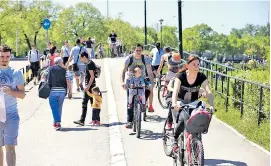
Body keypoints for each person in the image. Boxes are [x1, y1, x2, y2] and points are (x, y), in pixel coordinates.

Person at [171, 54, 215, 149]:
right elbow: (175, 90)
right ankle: (175, 138)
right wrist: (174, 103)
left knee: (199, 118)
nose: (196, 67)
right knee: (183, 118)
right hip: (180, 102)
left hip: (194, 103)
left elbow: (208, 91)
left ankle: (196, 144)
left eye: (198, 64)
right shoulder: (181, 76)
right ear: (187, 65)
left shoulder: (201, 76)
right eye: (194, 64)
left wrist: (212, 105)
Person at [0, 45, 25, 166]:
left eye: (7, 57)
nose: (4, 59)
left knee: (10, 147)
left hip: (11, 115)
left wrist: (11, 92)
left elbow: (22, 94)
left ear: (10, 57)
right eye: (2, 56)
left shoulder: (16, 73)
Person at [120, 43, 154, 129]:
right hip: (131, 80)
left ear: (142, 51)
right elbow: (123, 71)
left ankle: (143, 104)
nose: (138, 52)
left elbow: (149, 72)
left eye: (140, 50)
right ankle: (129, 121)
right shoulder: (129, 58)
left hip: (142, 80)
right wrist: (122, 82)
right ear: (134, 50)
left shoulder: (145, 59)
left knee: (148, 90)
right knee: (129, 101)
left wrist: (152, 83)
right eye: (137, 50)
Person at [48, 57, 72, 130]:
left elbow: (43, 76)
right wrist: (70, 91)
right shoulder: (65, 70)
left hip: (52, 91)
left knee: (54, 107)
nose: (63, 64)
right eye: (62, 63)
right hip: (62, 91)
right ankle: (56, 122)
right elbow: (68, 81)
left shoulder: (50, 69)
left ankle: (57, 123)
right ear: (60, 63)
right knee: (59, 107)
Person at [73, 51, 96, 126]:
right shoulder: (90, 63)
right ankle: (95, 119)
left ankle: (82, 120)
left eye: (80, 57)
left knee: (85, 103)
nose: (80, 59)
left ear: (84, 57)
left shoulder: (89, 64)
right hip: (91, 86)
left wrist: (88, 87)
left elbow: (92, 76)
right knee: (92, 103)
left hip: (89, 87)